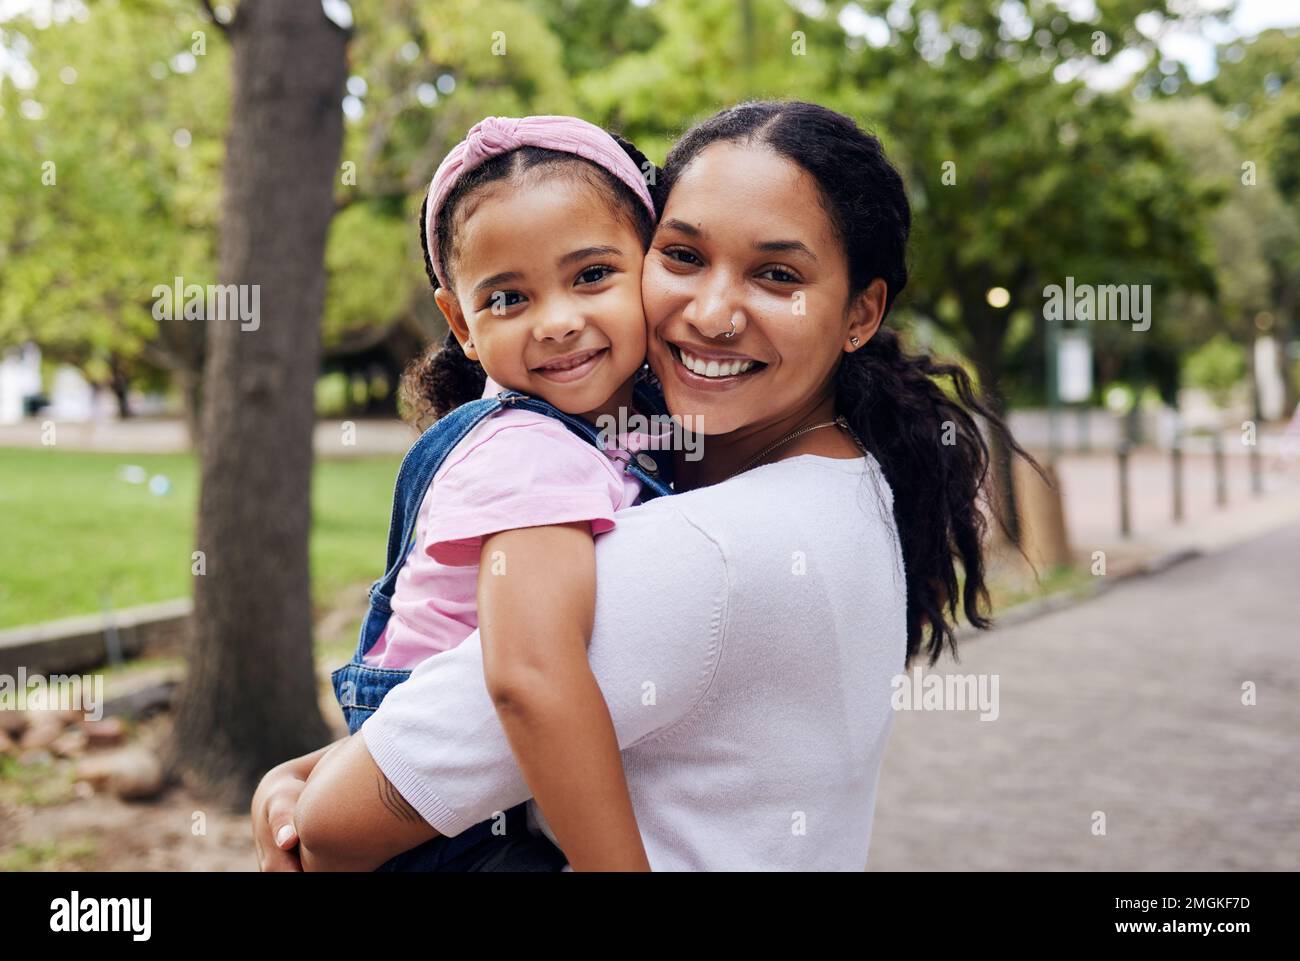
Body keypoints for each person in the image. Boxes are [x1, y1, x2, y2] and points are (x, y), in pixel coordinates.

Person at [252, 100, 1030, 871]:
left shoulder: (699, 553)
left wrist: (305, 785)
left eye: (777, 273)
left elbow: (330, 827)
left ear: (861, 311)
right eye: (685, 256)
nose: (714, 312)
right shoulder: (852, 485)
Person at [313, 115, 677, 872]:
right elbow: (530, 680)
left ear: (652, 263)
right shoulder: (530, 452)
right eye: (508, 298)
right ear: (461, 324)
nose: (557, 322)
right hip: (454, 832)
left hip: (460, 788)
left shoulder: (625, 429)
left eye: (591, 275)